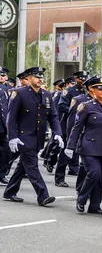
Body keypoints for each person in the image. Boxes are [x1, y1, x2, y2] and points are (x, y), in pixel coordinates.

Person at [3, 67, 62, 206]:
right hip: (23, 137)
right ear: (29, 79)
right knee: (32, 166)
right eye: (36, 77)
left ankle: (10, 191)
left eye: (41, 77)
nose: (40, 79)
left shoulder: (46, 95)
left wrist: (57, 133)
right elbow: (11, 117)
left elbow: (53, 117)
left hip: (38, 138)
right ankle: (43, 195)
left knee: (23, 166)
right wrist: (12, 136)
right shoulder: (19, 93)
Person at [65, 76, 102, 215]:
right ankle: (81, 199)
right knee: (94, 174)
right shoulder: (86, 106)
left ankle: (95, 205)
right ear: (92, 90)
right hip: (89, 146)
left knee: (101, 178)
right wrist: (70, 146)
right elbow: (76, 128)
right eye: (100, 88)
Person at [58, 81, 95, 191]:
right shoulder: (79, 98)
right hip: (75, 132)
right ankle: (59, 178)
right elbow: (72, 119)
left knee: (87, 162)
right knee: (66, 155)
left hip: (91, 135)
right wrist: (70, 138)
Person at [57, 71, 89, 178]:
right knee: (66, 151)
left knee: (78, 149)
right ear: (76, 79)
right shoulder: (69, 91)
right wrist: (75, 111)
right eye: (81, 78)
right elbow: (61, 106)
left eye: (85, 78)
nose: (83, 81)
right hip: (69, 124)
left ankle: (73, 169)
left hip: (82, 125)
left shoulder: (86, 91)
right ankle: (59, 177)